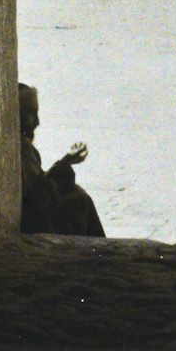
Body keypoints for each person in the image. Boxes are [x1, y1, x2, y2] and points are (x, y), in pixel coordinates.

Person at [18, 80, 106, 237]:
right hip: (34, 225)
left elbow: (38, 184)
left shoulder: (21, 147)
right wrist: (65, 165)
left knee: (78, 196)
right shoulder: (22, 148)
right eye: (30, 113)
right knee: (80, 200)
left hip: (33, 217)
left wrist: (67, 161)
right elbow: (41, 197)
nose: (37, 122)